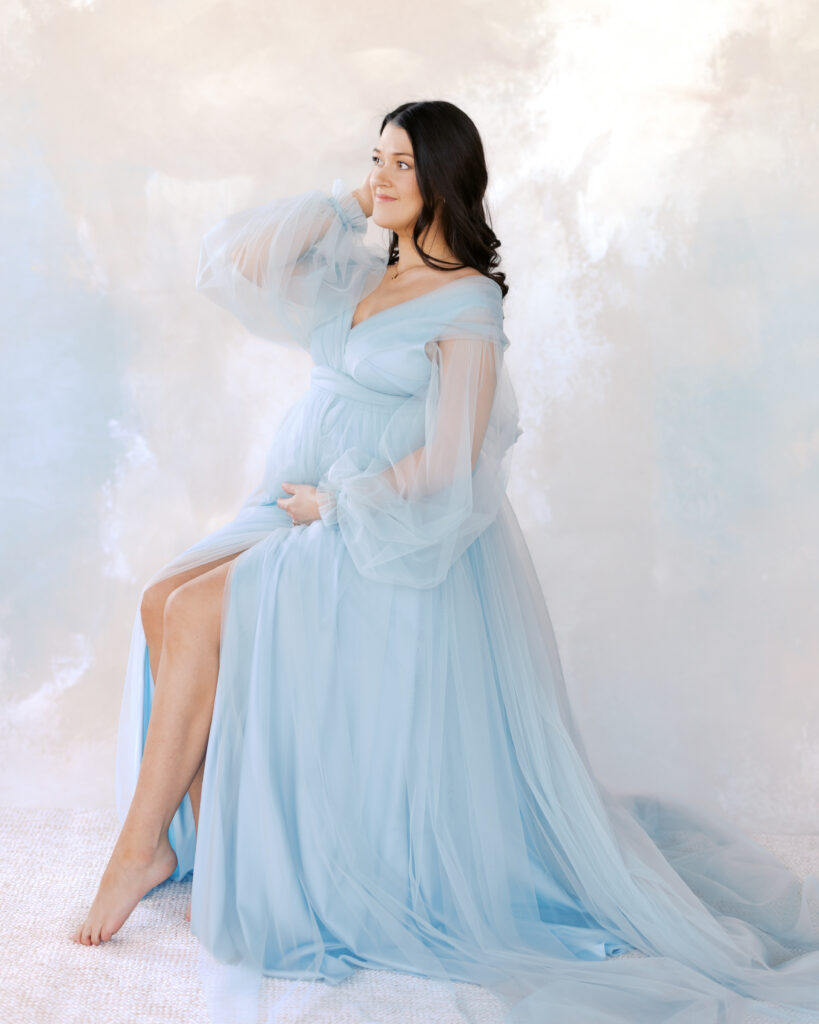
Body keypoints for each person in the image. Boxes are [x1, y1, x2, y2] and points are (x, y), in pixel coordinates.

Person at [71, 101, 819, 1024]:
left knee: (196, 613)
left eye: (403, 164)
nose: (382, 176)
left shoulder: (467, 300)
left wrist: (341, 504)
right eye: (375, 159)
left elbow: (455, 454)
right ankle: (223, 844)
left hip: (379, 523)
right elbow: (236, 263)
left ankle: (138, 850)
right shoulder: (358, 267)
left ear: (444, 178)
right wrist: (352, 203)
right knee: (160, 598)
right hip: (296, 499)